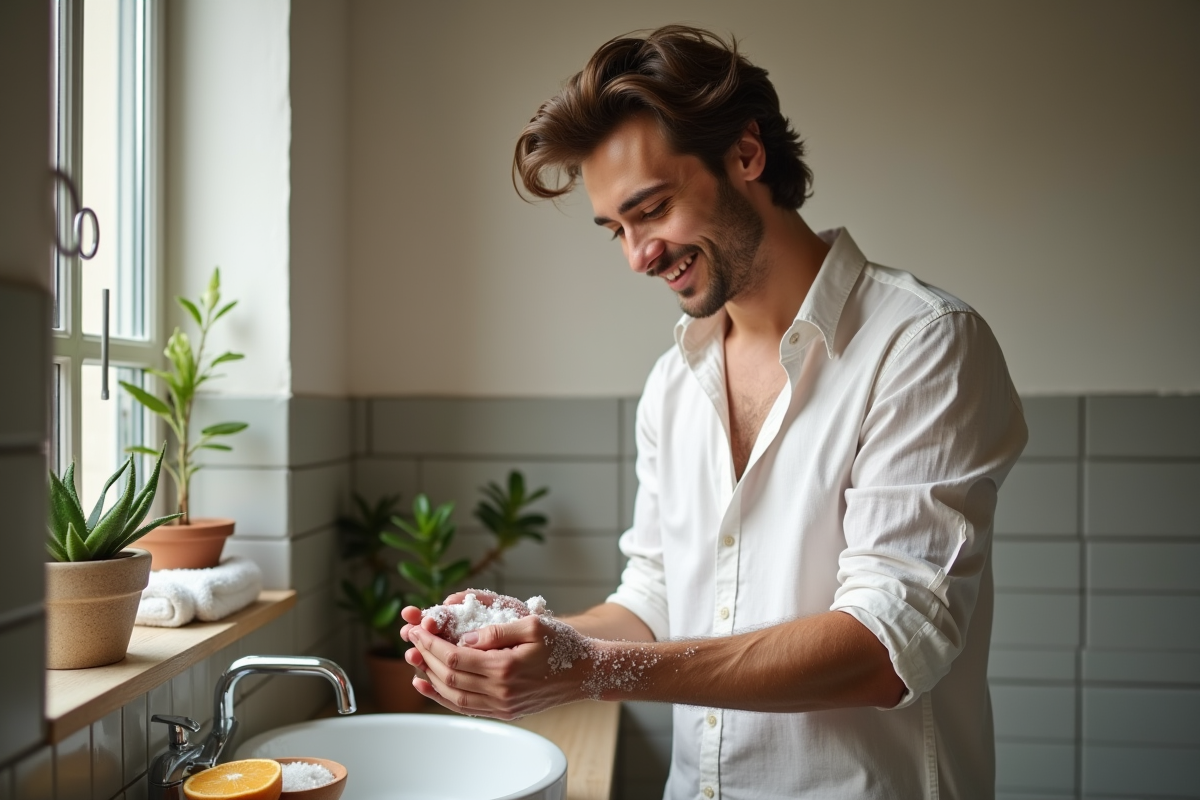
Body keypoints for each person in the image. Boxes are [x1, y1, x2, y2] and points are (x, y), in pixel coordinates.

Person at [400, 24, 1027, 799]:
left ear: (746, 154)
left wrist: (593, 670)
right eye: (616, 229)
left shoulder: (921, 343)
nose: (638, 255)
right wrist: (531, 638)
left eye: (652, 209)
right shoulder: (674, 382)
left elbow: (887, 646)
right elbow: (656, 600)